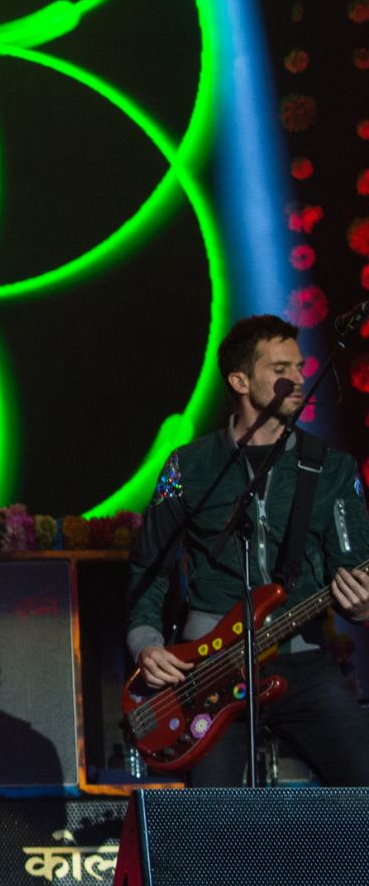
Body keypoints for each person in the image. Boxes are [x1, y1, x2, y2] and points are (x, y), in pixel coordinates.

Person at [128, 313, 369, 786]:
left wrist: (361, 607)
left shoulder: (332, 467)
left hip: (301, 661)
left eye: (300, 368)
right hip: (206, 672)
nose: (299, 380)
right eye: (281, 370)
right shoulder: (189, 465)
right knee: (209, 826)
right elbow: (149, 564)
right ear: (240, 380)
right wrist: (146, 644)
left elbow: (353, 567)